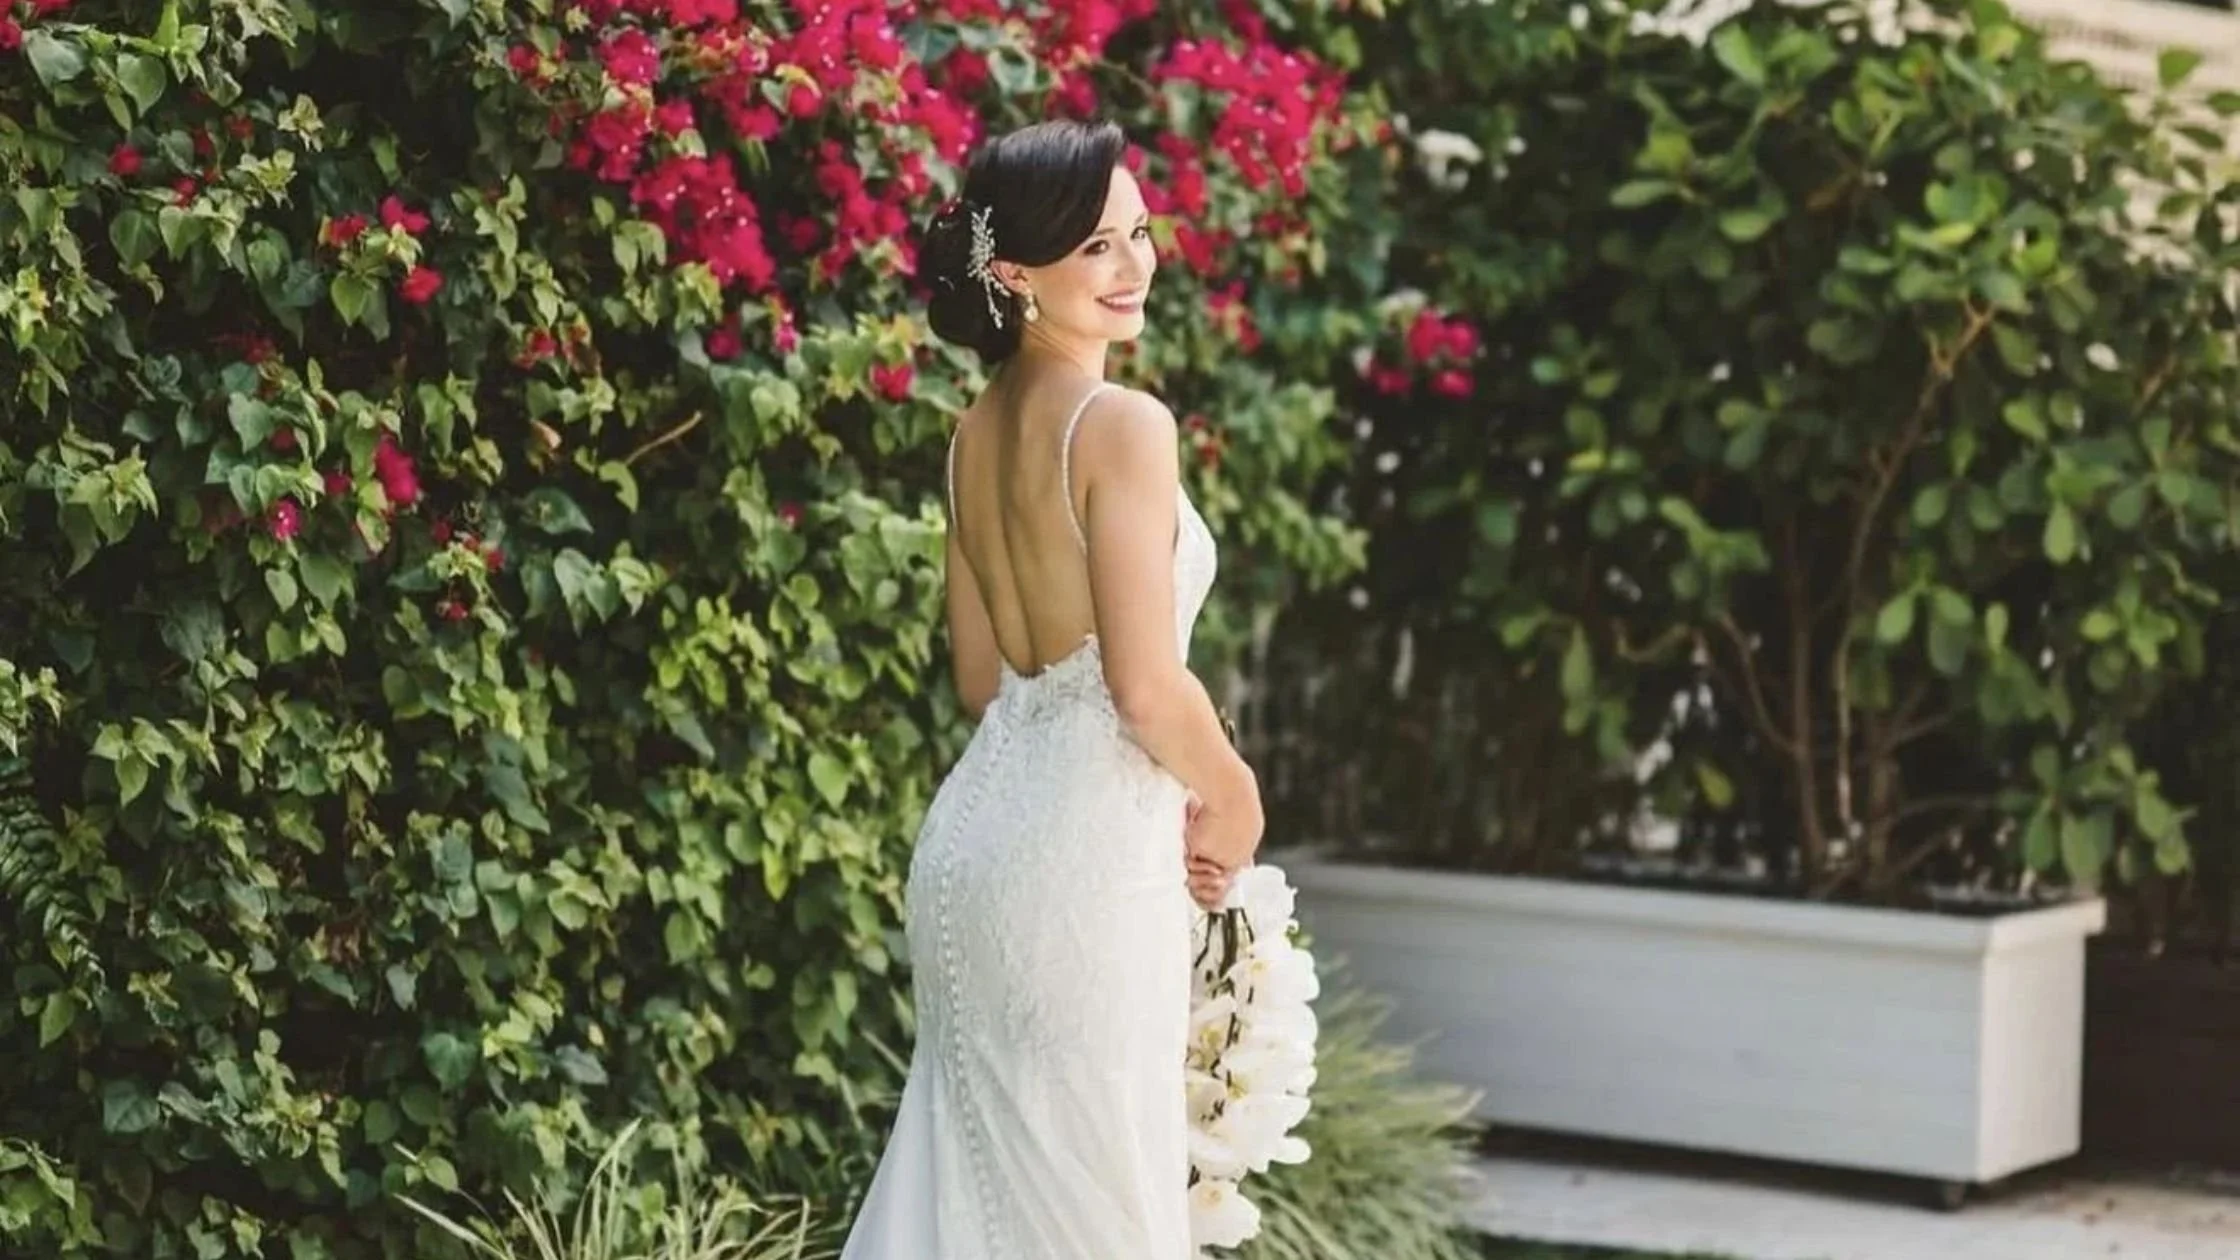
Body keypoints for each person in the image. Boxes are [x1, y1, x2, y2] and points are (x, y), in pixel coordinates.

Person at [838, 119, 1265, 1259]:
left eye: (1138, 234)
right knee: (1093, 1213)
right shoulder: (1124, 426)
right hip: (1081, 867)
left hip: (973, 851)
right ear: (1014, 276)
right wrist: (1231, 789)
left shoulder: (970, 435)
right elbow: (1139, 683)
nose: (1134, 268)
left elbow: (985, 679)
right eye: (1095, 249)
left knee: (973, 1196)